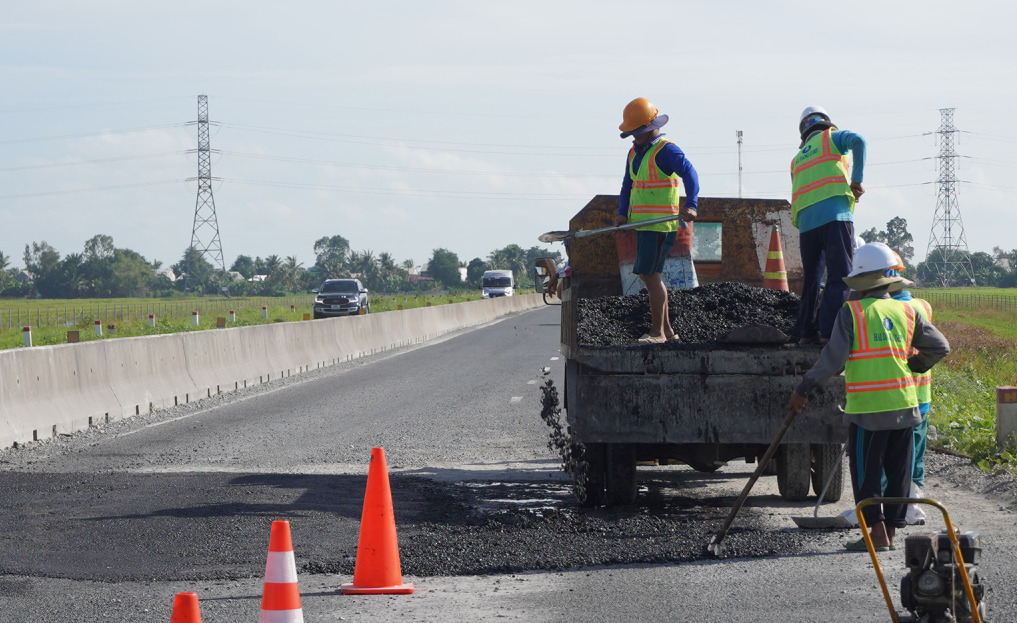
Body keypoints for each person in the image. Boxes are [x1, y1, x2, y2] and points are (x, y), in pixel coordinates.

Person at [787, 242, 950, 551]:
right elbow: (940, 347)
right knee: (898, 474)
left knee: (867, 475)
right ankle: (888, 535)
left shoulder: (853, 313)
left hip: (869, 413)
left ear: (859, 281)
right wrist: (913, 364)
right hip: (906, 407)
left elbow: (832, 361)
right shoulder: (907, 310)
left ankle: (876, 536)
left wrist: (803, 388)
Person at [614, 97, 700, 344]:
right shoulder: (634, 152)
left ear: (650, 128)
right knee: (651, 277)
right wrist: (622, 212)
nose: (634, 136)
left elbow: (690, 173)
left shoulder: (667, 150)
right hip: (643, 225)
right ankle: (668, 332)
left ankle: (657, 332)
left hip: (660, 225)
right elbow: (628, 184)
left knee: (651, 277)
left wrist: (691, 204)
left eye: (637, 131)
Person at [791, 106, 867, 345]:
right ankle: (828, 332)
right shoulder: (832, 138)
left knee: (812, 278)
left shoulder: (797, 159)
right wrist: (857, 179)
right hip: (835, 216)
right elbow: (859, 141)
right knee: (841, 275)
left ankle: (806, 333)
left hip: (806, 224)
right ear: (826, 122)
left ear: (804, 131)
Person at [887, 261, 934, 525]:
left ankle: (897, 506)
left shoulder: (896, 310)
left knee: (894, 455)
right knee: (916, 452)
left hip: (900, 395)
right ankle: (914, 502)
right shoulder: (923, 305)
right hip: (922, 393)